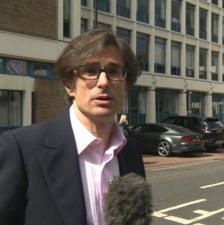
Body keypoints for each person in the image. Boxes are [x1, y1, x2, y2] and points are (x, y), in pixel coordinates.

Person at [0, 29, 146, 225]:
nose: (103, 82)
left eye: (113, 71)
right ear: (69, 85)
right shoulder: (22, 148)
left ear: (126, 84)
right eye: (90, 70)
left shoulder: (131, 150)